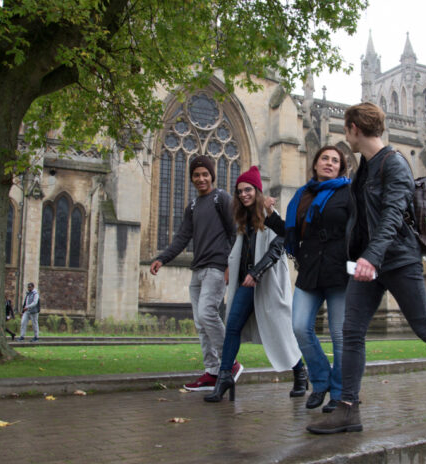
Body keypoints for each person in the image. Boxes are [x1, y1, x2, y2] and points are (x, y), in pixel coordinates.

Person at [307, 103, 426, 434]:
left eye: (346, 130)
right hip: (369, 264)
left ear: (355, 128)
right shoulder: (364, 169)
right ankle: (348, 409)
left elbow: (391, 216)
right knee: (351, 331)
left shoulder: (394, 163)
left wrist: (371, 257)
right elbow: (361, 220)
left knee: (425, 327)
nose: (346, 137)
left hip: (399, 260)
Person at [204, 166, 304, 403]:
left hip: (267, 282)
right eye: (240, 191)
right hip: (246, 284)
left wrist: (256, 272)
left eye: (248, 190)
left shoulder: (269, 214)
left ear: (257, 191)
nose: (243, 195)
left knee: (281, 331)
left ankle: (300, 373)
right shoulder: (243, 218)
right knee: (232, 327)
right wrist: (232, 268)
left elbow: (278, 247)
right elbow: (239, 249)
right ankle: (225, 377)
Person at [150, 155, 239, 391]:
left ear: (212, 176)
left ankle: (230, 363)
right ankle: (212, 371)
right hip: (197, 270)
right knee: (200, 323)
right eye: (196, 175)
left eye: (205, 174)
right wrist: (162, 258)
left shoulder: (221, 198)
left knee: (207, 313)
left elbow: (235, 233)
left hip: (216, 267)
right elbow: (182, 237)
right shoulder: (192, 206)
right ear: (191, 178)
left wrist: (231, 265)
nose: (201, 179)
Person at [283, 146, 352, 413]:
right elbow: (291, 231)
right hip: (310, 267)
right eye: (325, 158)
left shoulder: (349, 192)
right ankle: (321, 381)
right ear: (315, 164)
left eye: (335, 160)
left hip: (338, 269)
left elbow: (358, 229)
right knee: (300, 326)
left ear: (341, 168)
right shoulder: (303, 195)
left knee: (339, 335)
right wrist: (269, 215)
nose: (329, 163)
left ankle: (339, 391)